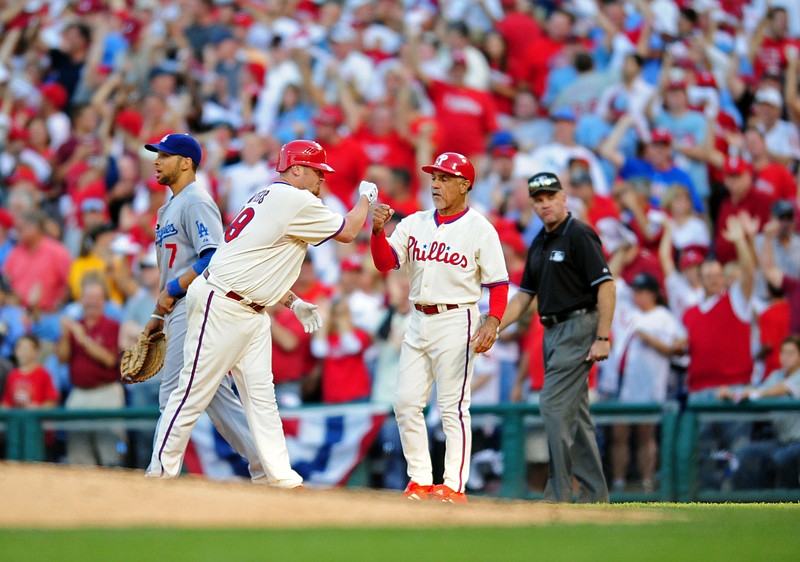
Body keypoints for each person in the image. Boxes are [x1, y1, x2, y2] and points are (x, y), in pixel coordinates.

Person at [147, 139, 376, 487]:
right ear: (296, 169)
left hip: (248, 309)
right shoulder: (294, 198)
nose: (322, 180)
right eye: (317, 172)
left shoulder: (269, 197)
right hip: (223, 303)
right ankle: (159, 473)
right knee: (192, 390)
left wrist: (291, 301)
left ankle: (278, 478)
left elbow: (255, 264)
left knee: (261, 397)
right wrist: (365, 200)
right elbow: (347, 231)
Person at [369, 152, 509, 503]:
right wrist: (376, 232)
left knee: (452, 406)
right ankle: (419, 480)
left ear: (465, 185)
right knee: (404, 402)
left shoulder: (480, 228)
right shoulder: (414, 222)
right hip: (417, 319)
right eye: (434, 177)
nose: (435, 183)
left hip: (457, 317)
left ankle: (454, 485)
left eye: (445, 178)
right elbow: (386, 262)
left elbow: (499, 283)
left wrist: (493, 320)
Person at [499, 171, 614, 503]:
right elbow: (524, 297)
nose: (545, 204)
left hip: (578, 326)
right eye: (538, 199)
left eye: (550, 197)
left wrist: (602, 336)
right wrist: (493, 324)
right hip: (552, 330)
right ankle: (595, 495)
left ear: (564, 198)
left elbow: (606, 285)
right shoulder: (540, 241)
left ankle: (559, 493)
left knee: (551, 405)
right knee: (575, 415)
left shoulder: (579, 234)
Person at [56, 276, 125, 467]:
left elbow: (110, 360)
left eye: (96, 297)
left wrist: (82, 337)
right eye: (87, 297)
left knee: (110, 452)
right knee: (78, 454)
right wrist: (65, 334)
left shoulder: (112, 325)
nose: (91, 302)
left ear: (104, 301)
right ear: (81, 300)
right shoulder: (75, 326)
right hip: (79, 393)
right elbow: (62, 358)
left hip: (106, 393)